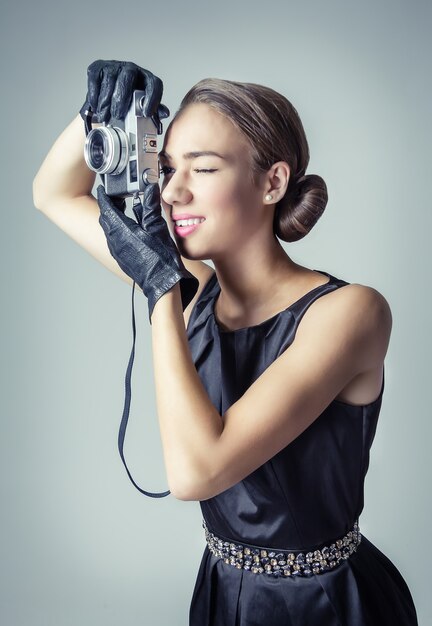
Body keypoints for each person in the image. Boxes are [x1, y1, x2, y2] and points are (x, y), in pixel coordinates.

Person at [33, 60, 418, 625]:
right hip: (220, 595)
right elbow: (53, 193)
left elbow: (196, 472)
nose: (173, 192)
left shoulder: (349, 312)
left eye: (204, 168)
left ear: (272, 182)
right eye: (166, 169)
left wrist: (162, 287)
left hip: (327, 608)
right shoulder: (198, 295)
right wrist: (101, 114)